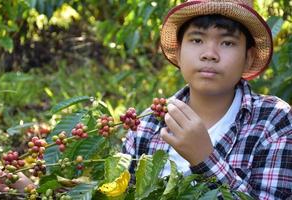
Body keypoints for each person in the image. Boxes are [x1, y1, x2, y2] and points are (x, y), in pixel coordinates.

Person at [122, 0, 292, 199]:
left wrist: (204, 158)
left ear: (249, 57)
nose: (209, 55)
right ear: (178, 51)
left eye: (227, 43)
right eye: (196, 40)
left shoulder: (274, 122)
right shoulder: (146, 125)